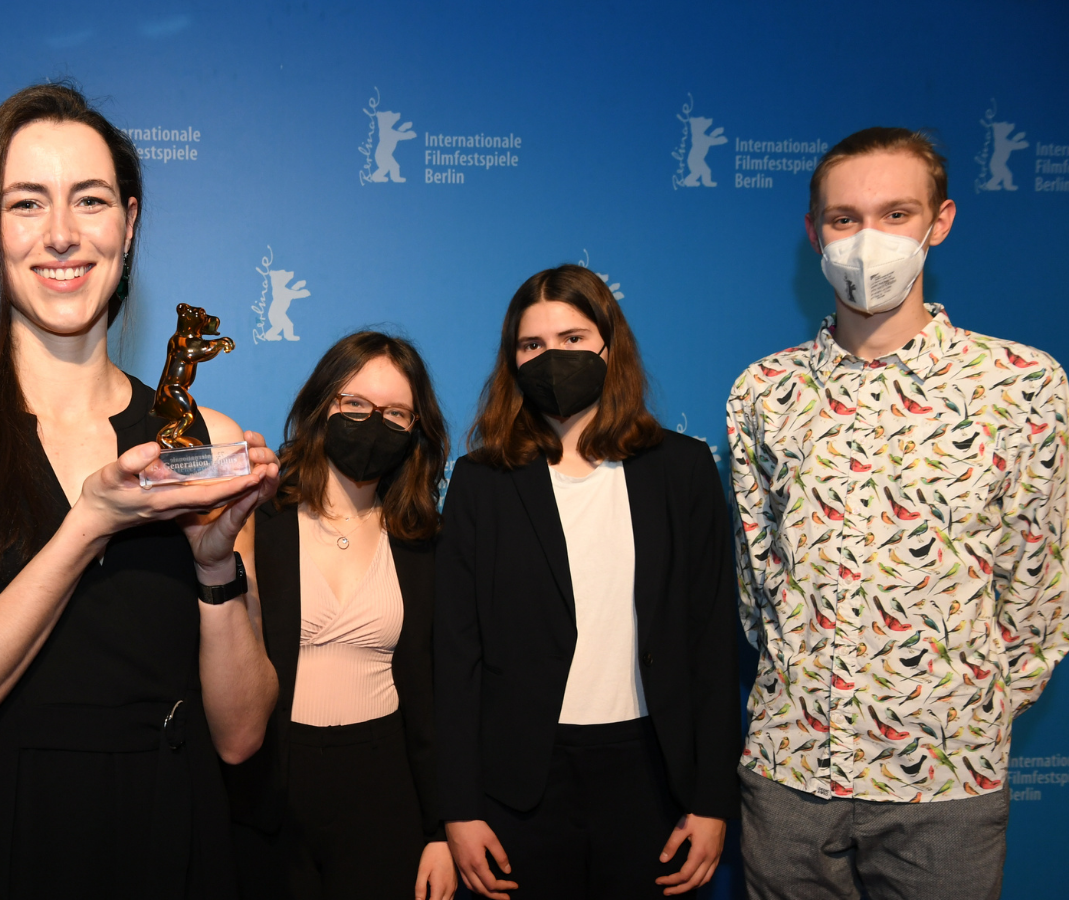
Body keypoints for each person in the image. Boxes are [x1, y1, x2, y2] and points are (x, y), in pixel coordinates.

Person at [0, 82, 279, 898]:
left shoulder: (204, 440)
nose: (61, 235)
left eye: (89, 200)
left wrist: (217, 570)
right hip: (2, 842)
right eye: (26, 204)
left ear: (130, 220)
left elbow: (242, 734)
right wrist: (88, 525)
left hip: (174, 839)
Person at [728, 127, 1069, 900]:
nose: (866, 241)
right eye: (845, 219)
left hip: (948, 784)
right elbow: (759, 582)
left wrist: (958, 703)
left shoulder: (1022, 386)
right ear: (815, 233)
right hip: (790, 774)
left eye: (895, 213)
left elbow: (1037, 593)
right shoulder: (763, 393)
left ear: (939, 222)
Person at [436, 265, 740, 899]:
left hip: (652, 778)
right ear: (512, 360)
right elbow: (456, 654)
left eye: (573, 338)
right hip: (520, 785)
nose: (553, 357)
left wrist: (712, 801)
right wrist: (459, 808)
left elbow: (710, 643)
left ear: (610, 345)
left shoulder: (681, 470)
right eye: (533, 345)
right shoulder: (480, 481)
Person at [226, 332, 456, 900]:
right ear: (321, 404)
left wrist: (440, 831)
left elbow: (433, 693)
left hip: (386, 788)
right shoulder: (260, 516)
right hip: (267, 791)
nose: (372, 423)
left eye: (396, 413)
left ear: (415, 430)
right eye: (354, 404)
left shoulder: (422, 539)